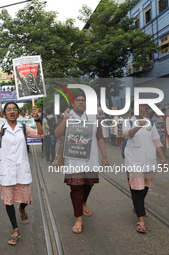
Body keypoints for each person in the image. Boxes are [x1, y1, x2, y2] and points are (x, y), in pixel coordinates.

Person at [0, 92, 43, 245]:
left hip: (22, 169)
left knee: (26, 198)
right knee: (8, 202)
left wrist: (37, 119)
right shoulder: (1, 128)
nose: (12, 111)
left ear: (19, 112)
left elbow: (41, 135)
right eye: (9, 109)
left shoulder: (23, 127)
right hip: (6, 170)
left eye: (14, 109)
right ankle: (15, 228)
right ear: (4, 113)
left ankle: (22, 209)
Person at [54, 93, 109, 234]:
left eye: (83, 100)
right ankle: (78, 218)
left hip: (90, 158)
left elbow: (99, 137)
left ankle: (83, 202)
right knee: (76, 187)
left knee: (88, 184)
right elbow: (57, 134)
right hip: (73, 158)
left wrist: (104, 156)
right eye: (78, 100)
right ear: (73, 103)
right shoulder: (66, 115)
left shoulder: (92, 117)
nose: (81, 102)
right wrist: (65, 119)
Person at [123, 103, 166, 233]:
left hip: (149, 160)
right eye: (137, 106)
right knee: (137, 189)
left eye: (143, 106)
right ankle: (140, 219)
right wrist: (138, 125)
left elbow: (156, 141)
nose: (141, 108)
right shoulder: (128, 121)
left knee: (146, 186)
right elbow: (127, 134)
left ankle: (138, 206)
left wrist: (163, 159)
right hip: (134, 160)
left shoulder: (151, 123)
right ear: (132, 109)